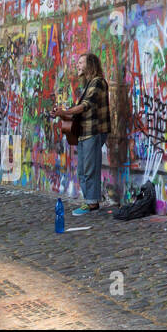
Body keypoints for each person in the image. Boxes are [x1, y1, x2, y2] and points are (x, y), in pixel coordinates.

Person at [51, 54, 110, 215]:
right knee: (82, 170)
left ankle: (92, 204)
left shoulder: (98, 82)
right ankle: (90, 201)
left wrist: (66, 111)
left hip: (94, 131)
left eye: (81, 62)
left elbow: (86, 106)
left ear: (90, 64)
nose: (77, 65)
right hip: (85, 132)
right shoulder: (89, 84)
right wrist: (63, 113)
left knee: (90, 169)